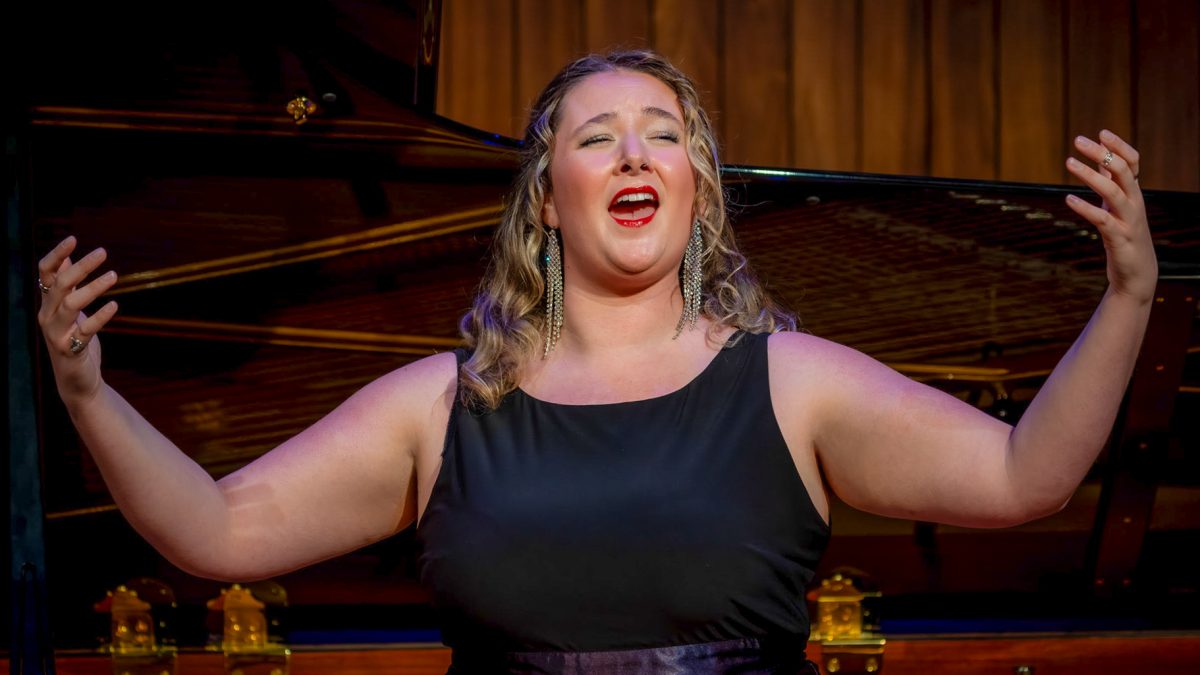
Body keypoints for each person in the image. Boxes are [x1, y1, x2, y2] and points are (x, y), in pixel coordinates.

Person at [35, 50, 1155, 674]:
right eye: (596, 134)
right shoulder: (444, 405)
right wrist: (87, 395)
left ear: (697, 188)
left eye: (663, 132)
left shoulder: (792, 381)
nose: (634, 151)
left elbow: (1026, 480)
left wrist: (1127, 297)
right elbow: (216, 533)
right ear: (549, 199)